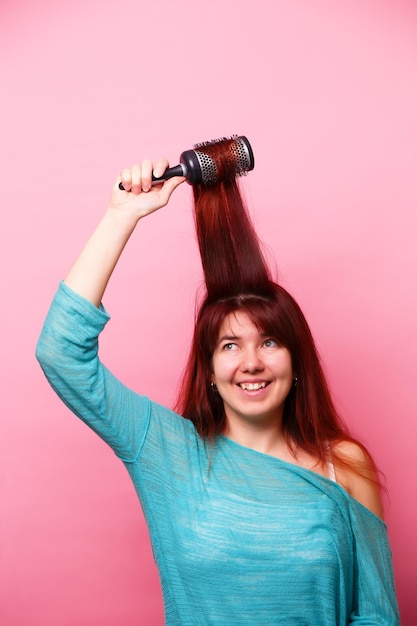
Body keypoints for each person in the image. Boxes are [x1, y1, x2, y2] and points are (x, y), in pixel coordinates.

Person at [36, 157, 399, 625]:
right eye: (230, 345)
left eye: (269, 342)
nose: (251, 362)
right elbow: (61, 354)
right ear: (208, 369)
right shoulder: (164, 451)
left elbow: (376, 616)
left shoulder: (344, 465)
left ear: (297, 360)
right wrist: (120, 216)